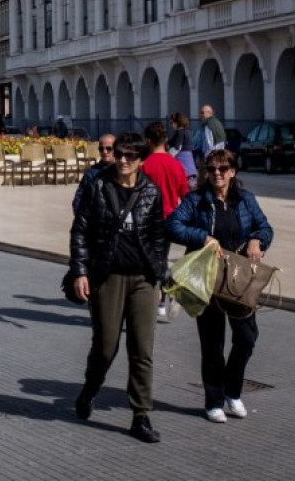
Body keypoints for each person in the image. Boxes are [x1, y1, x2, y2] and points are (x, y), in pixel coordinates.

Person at [69, 132, 167, 443]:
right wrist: (80, 271)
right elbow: (80, 231)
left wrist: (160, 276)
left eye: (129, 156)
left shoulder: (151, 191)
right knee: (106, 347)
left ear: (140, 160)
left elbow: (158, 238)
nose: (121, 160)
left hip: (143, 280)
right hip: (107, 278)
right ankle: (90, 389)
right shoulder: (98, 185)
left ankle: (140, 415)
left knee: (142, 349)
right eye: (119, 154)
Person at [166, 149, 273, 424]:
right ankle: (213, 400)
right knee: (212, 342)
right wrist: (202, 236)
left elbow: (265, 227)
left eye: (223, 169)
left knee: (247, 337)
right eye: (212, 169)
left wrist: (257, 240)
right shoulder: (196, 200)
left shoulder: (245, 200)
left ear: (233, 172)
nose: (217, 174)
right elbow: (173, 224)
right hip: (208, 278)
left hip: (239, 279)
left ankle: (232, 390)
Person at [141, 121, 189, 321]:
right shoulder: (176, 165)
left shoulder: (145, 166)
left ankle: (158, 298)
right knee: (162, 256)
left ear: (148, 141)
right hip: (169, 219)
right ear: (166, 140)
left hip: (149, 221)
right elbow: (185, 196)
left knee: (150, 260)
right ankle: (164, 293)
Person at [71, 133, 115, 214]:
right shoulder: (91, 174)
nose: (105, 152)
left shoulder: (123, 172)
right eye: (101, 149)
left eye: (109, 148)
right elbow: (79, 199)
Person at [169, 112, 198, 190]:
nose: (171, 124)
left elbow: (177, 147)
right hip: (189, 164)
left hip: (183, 163)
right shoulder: (187, 132)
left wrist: (167, 156)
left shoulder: (179, 132)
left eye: (172, 122)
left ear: (177, 122)